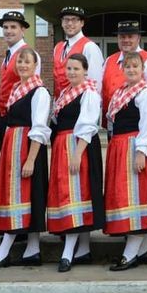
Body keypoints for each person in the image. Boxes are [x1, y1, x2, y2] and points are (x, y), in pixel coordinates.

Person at [0, 48, 51, 269]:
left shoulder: (40, 92)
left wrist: (31, 159)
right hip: (13, 146)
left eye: (27, 62)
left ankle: (4, 250)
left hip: (27, 147)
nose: (22, 65)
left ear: (36, 66)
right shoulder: (16, 88)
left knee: (22, 194)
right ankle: (33, 249)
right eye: (20, 61)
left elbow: (39, 128)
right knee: (25, 194)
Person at [104, 52, 147, 271]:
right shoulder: (120, 93)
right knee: (126, 196)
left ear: (142, 69)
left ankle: (130, 254)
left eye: (135, 66)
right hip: (121, 148)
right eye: (127, 66)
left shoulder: (146, 93)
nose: (131, 70)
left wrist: (141, 152)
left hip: (135, 147)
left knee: (136, 197)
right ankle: (143, 250)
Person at [47, 53, 104, 272]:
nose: (71, 72)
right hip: (63, 146)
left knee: (75, 196)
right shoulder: (64, 93)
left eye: (76, 69)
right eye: (69, 68)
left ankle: (68, 252)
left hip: (79, 146)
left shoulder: (89, 93)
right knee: (74, 195)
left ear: (85, 71)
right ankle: (84, 249)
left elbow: (88, 126)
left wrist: (78, 153)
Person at [102, 20, 147, 125]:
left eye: (130, 37)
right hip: (112, 125)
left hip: (137, 126)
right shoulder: (109, 60)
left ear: (138, 38)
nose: (126, 40)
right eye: (122, 37)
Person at [0, 11, 41, 148]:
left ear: (23, 30)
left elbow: (32, 88)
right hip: (4, 115)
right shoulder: (8, 55)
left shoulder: (31, 55)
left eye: (13, 27)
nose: (8, 31)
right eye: (5, 27)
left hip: (20, 118)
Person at [52, 6, 104, 98]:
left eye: (74, 20)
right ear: (62, 22)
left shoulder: (89, 47)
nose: (70, 23)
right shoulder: (58, 47)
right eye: (66, 20)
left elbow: (95, 84)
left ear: (82, 23)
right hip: (59, 103)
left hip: (80, 101)